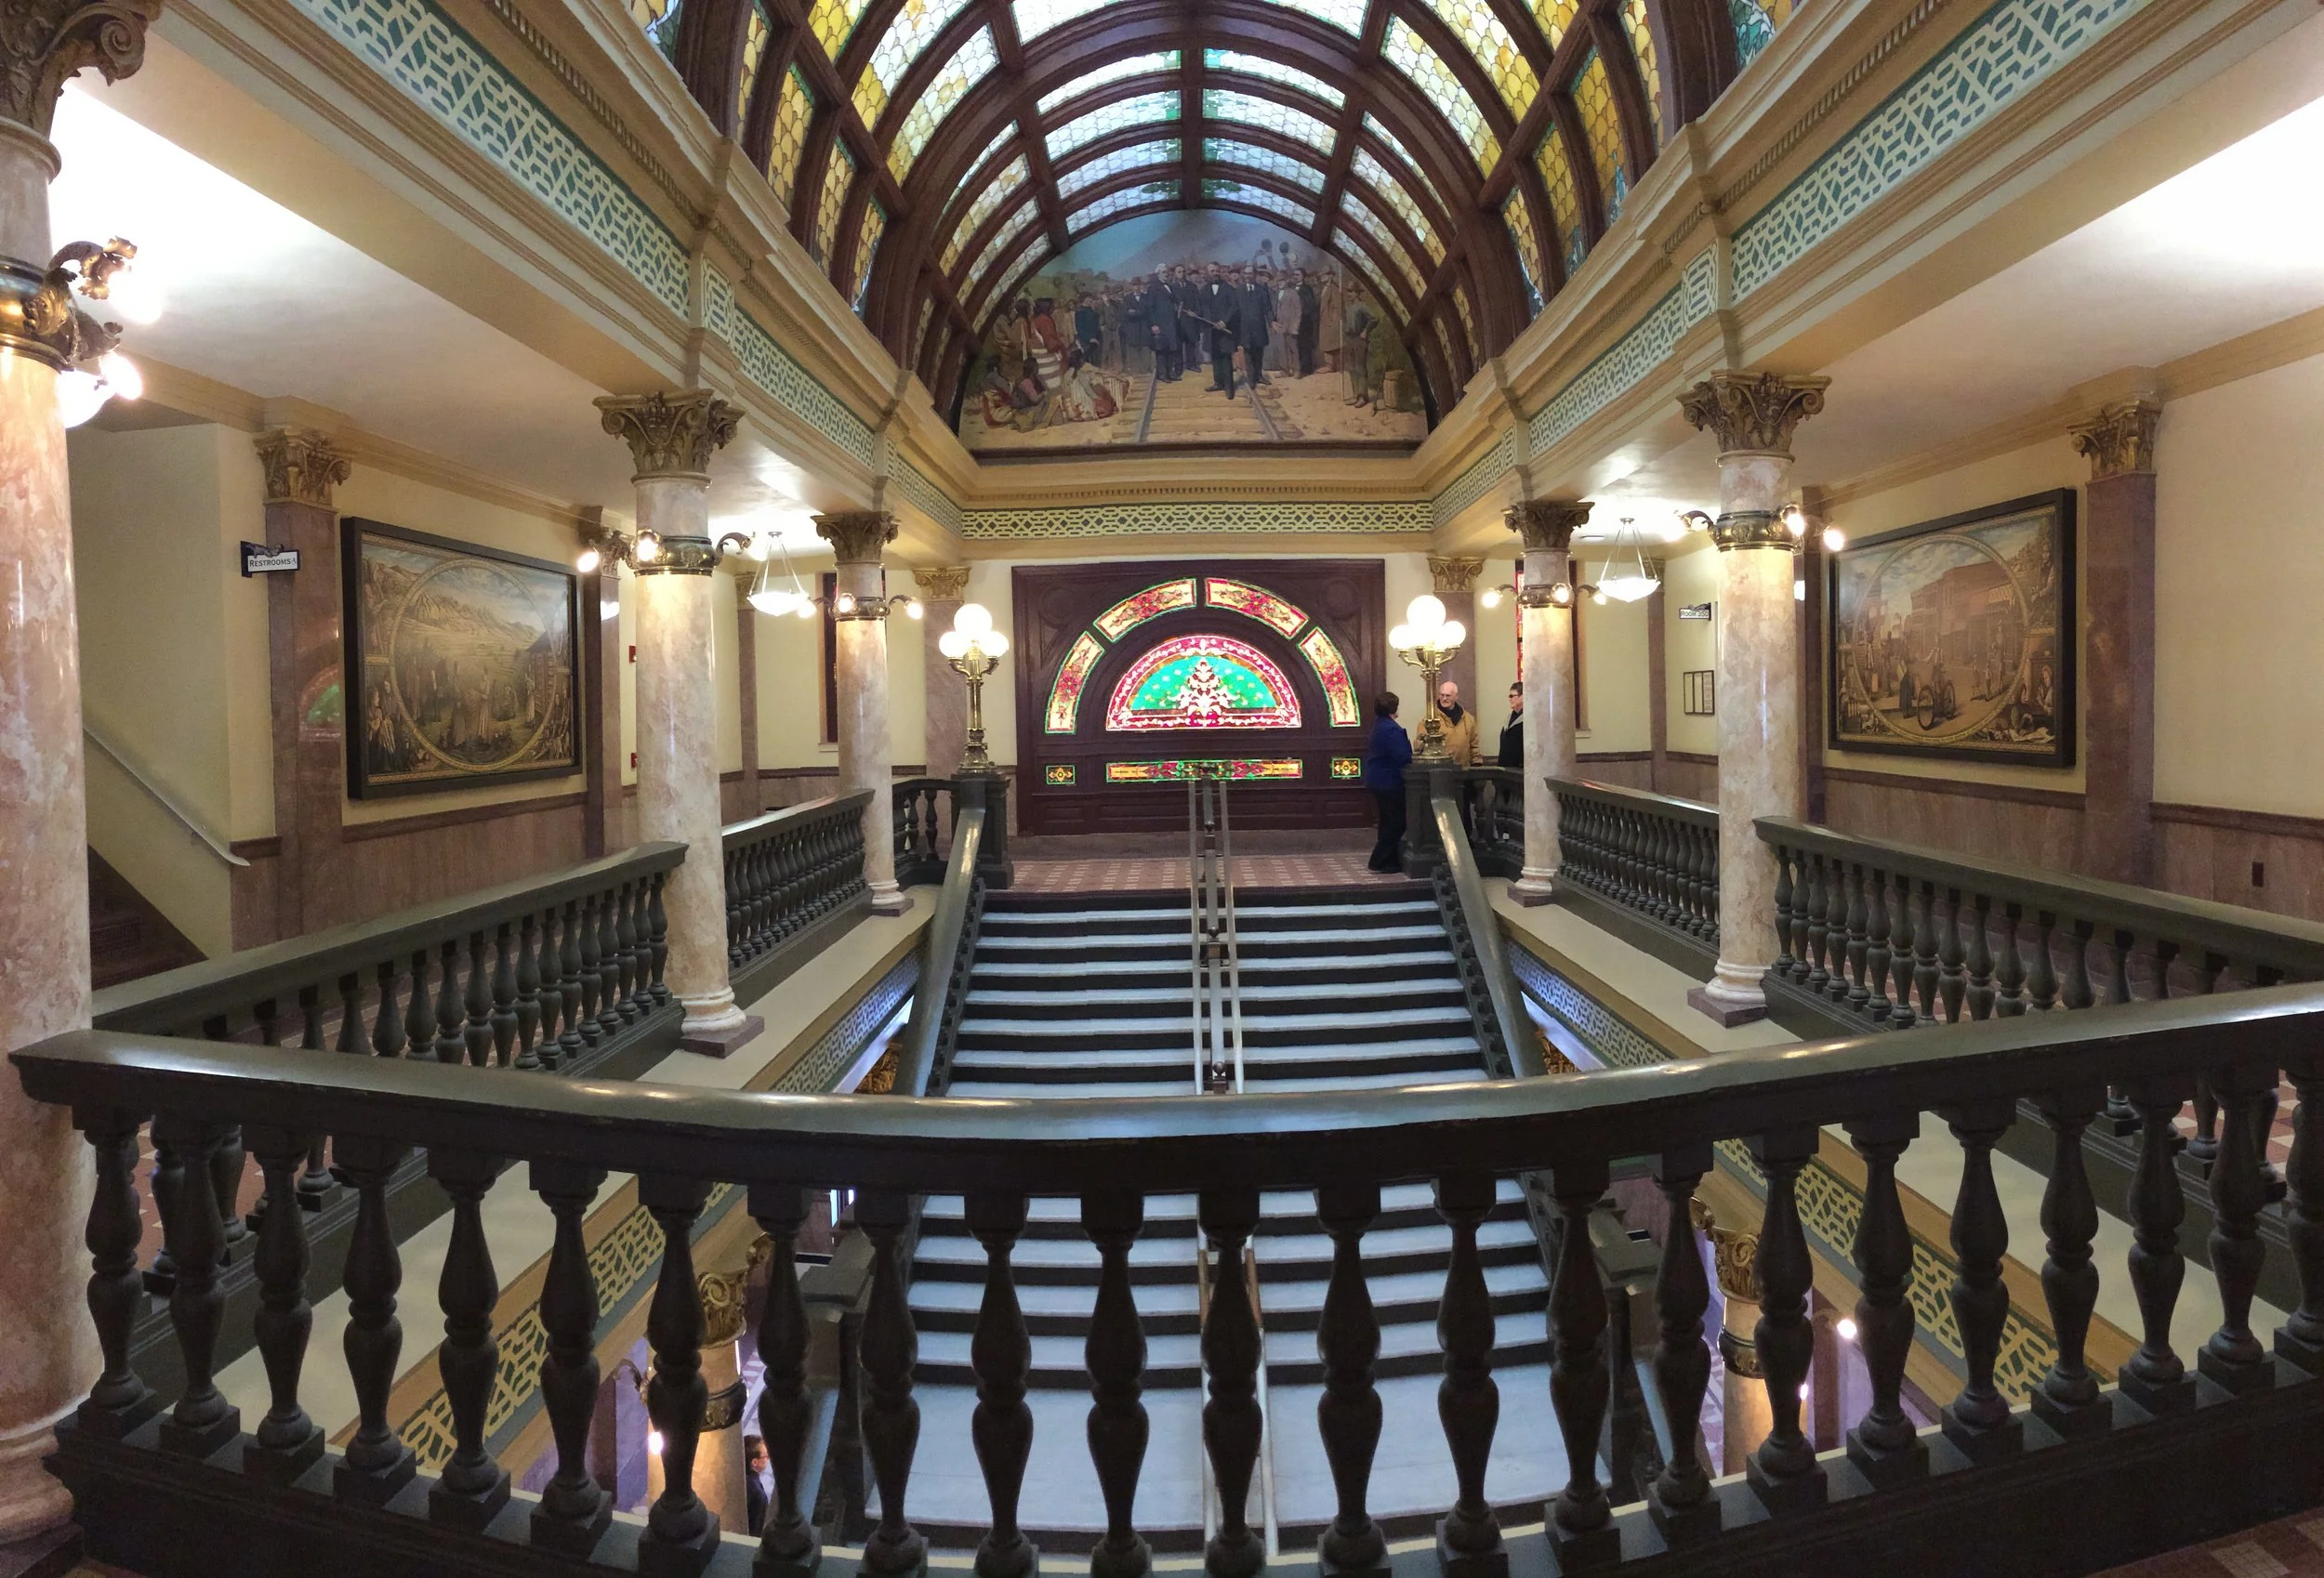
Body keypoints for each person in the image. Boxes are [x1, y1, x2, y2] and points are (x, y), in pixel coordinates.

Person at [1364, 691, 1413, 874]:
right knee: (1397, 821)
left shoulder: (1379, 725)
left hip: (1377, 779)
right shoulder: (1391, 729)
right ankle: (1378, 859)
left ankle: (1389, 861)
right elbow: (1402, 756)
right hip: (1389, 781)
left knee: (1386, 821)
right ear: (1393, 707)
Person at [1198, 264, 1240, 396]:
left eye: (1217, 271)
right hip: (1211, 329)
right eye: (1212, 271)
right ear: (1207, 273)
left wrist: (1223, 322)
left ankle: (1229, 387)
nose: (1215, 273)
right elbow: (1203, 308)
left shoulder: (1229, 289)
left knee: (1226, 358)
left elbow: (1234, 307)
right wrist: (1209, 320)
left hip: (1225, 329)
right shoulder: (1204, 290)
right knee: (1215, 357)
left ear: (1220, 272)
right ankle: (1218, 383)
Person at [1418, 678, 1478, 765]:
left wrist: (1477, 764)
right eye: (1442, 695)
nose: (1444, 698)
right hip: (1440, 771)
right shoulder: (1430, 720)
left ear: (1456, 696)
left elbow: (1474, 746)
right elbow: (1420, 745)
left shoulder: (1468, 719)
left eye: (1448, 695)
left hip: (1463, 771)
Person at [745, 1436, 770, 1535]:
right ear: (755, 1462)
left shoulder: (742, 1480)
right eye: (766, 1456)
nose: (768, 1459)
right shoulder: (756, 1491)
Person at [1498, 681, 1524, 769]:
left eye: (1512, 696)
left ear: (1523, 696)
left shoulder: (1528, 721)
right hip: (1505, 769)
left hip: (1519, 770)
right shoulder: (1508, 719)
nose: (1510, 699)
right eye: (1509, 696)